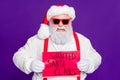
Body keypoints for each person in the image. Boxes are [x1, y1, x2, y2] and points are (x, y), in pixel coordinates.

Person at [13, 4, 102, 80]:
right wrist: (29, 64)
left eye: (65, 21)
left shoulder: (82, 40)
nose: (60, 24)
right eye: (56, 21)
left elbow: (96, 57)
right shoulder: (37, 40)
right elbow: (18, 56)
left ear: (70, 22)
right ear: (50, 22)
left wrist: (90, 63)